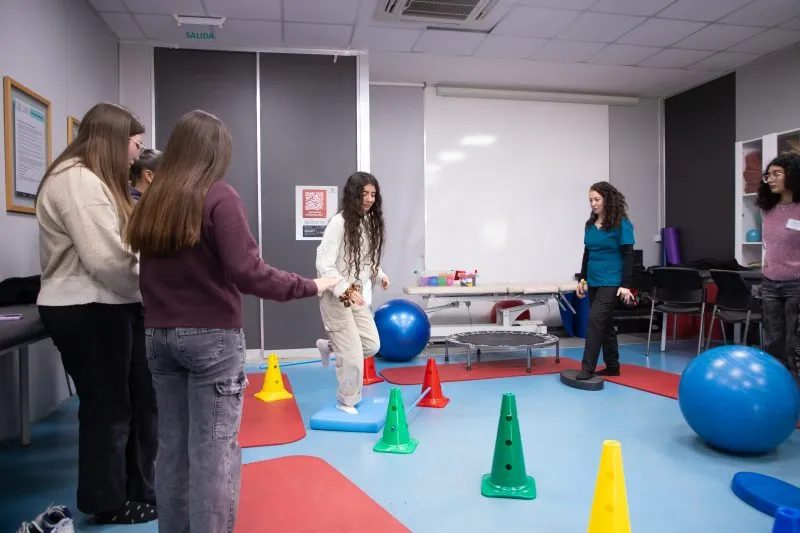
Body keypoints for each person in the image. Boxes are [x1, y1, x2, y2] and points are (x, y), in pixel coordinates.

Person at [126, 109, 339, 533]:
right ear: (216, 153)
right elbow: (249, 271)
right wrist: (312, 285)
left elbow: (147, 274)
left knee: (172, 448)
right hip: (211, 340)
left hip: (158, 338)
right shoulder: (218, 197)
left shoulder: (154, 200)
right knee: (213, 450)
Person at [35, 102, 157, 524]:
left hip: (114, 304)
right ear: (112, 140)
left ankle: (139, 488)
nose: (135, 156)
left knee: (138, 401)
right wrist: (155, 289)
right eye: (134, 146)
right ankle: (108, 502)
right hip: (87, 306)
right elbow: (107, 261)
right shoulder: (76, 182)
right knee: (108, 407)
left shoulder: (99, 182)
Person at [315, 172, 389, 415]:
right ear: (353, 195)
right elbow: (324, 264)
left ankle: (330, 346)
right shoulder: (338, 223)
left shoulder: (366, 223)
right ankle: (346, 400)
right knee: (354, 356)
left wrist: (380, 274)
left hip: (355, 294)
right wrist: (344, 289)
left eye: (372, 194)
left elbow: (366, 259)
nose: (368, 199)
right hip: (337, 296)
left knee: (371, 344)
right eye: (364, 194)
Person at [574, 181, 635, 380]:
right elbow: (587, 254)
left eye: (597, 199)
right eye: (590, 200)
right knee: (605, 324)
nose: (593, 203)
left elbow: (628, 255)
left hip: (612, 282)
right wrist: (582, 280)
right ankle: (612, 366)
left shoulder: (621, 224)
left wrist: (625, 285)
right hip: (593, 280)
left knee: (594, 321)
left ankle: (587, 369)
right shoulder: (590, 225)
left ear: (607, 199)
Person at [757, 153, 800, 382]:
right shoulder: (767, 210)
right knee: (773, 342)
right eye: (768, 175)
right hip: (770, 283)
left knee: (795, 344)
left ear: (791, 176)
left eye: (777, 174)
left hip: (797, 284)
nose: (771, 179)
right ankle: (777, 390)